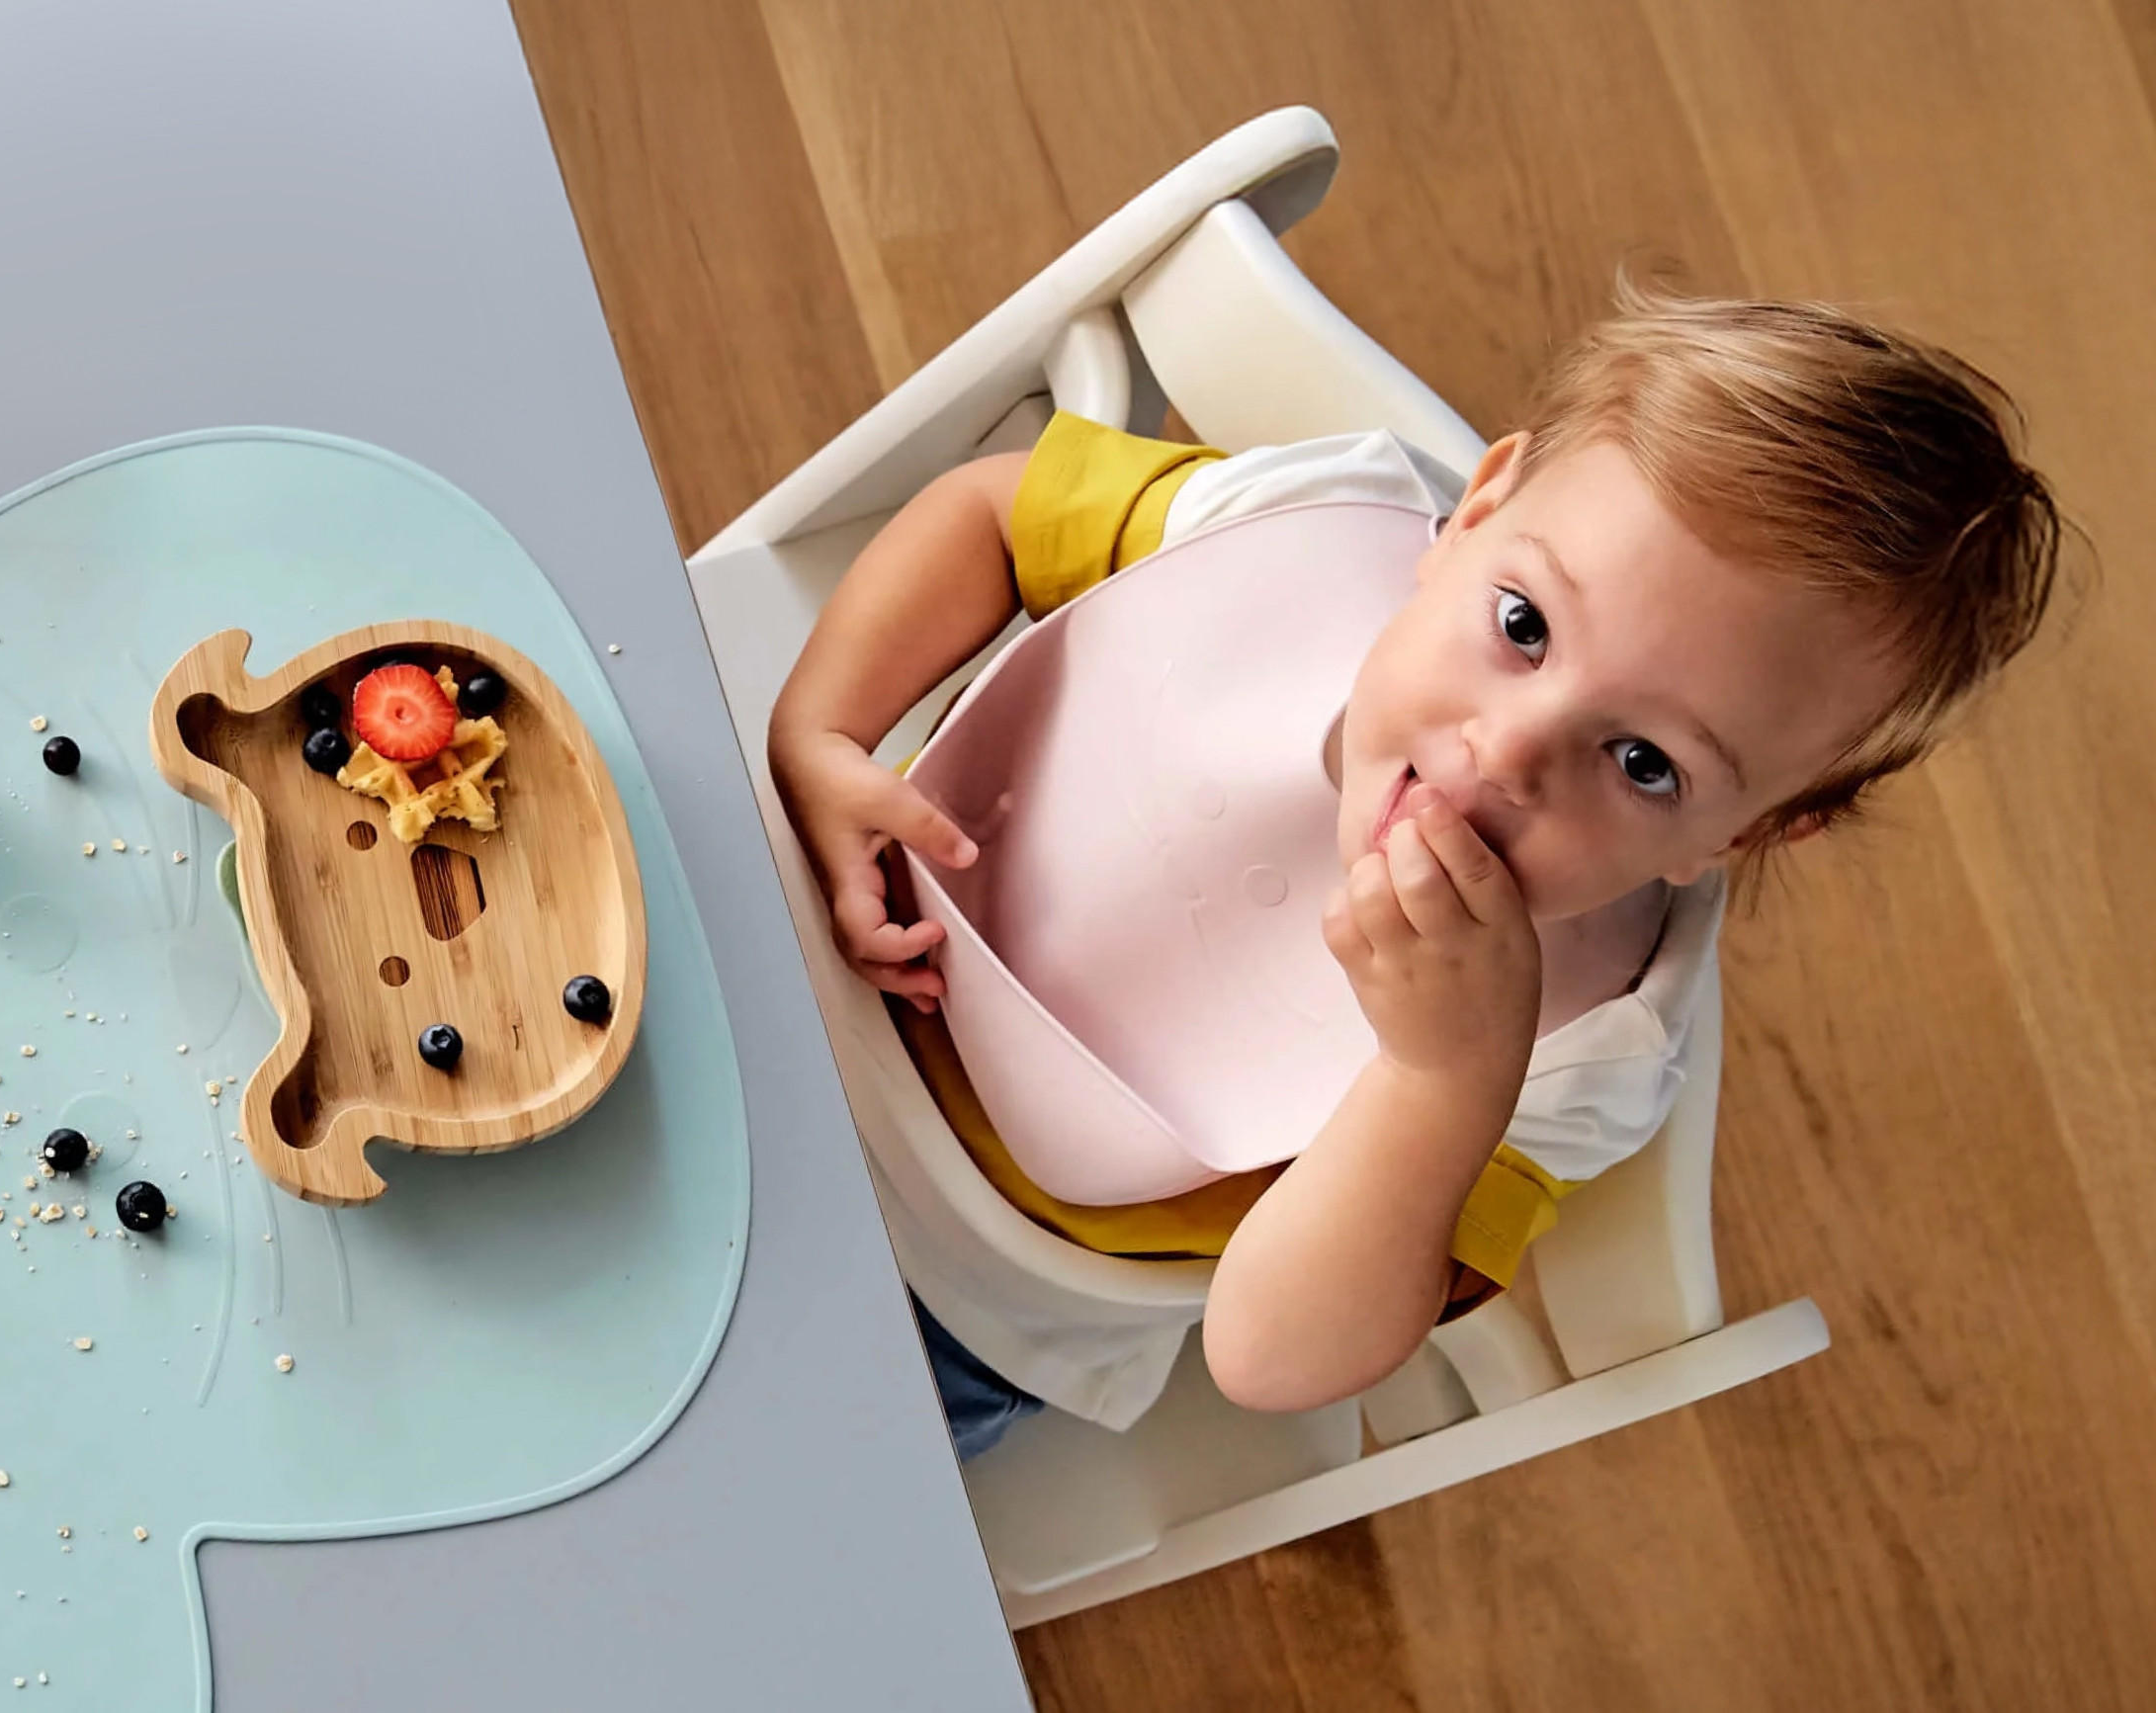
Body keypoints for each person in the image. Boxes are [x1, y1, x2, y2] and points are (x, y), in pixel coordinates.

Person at [767, 285, 2067, 1459]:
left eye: (1642, 760)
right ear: (1478, 508)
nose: (1504, 752)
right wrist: (823, 731)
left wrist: (1443, 1076)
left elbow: (1273, 1355)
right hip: (785, 926)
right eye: (1523, 625)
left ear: (1742, 835)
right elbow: (994, 514)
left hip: (961, 1303)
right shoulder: (1297, 526)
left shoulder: (1586, 1057)